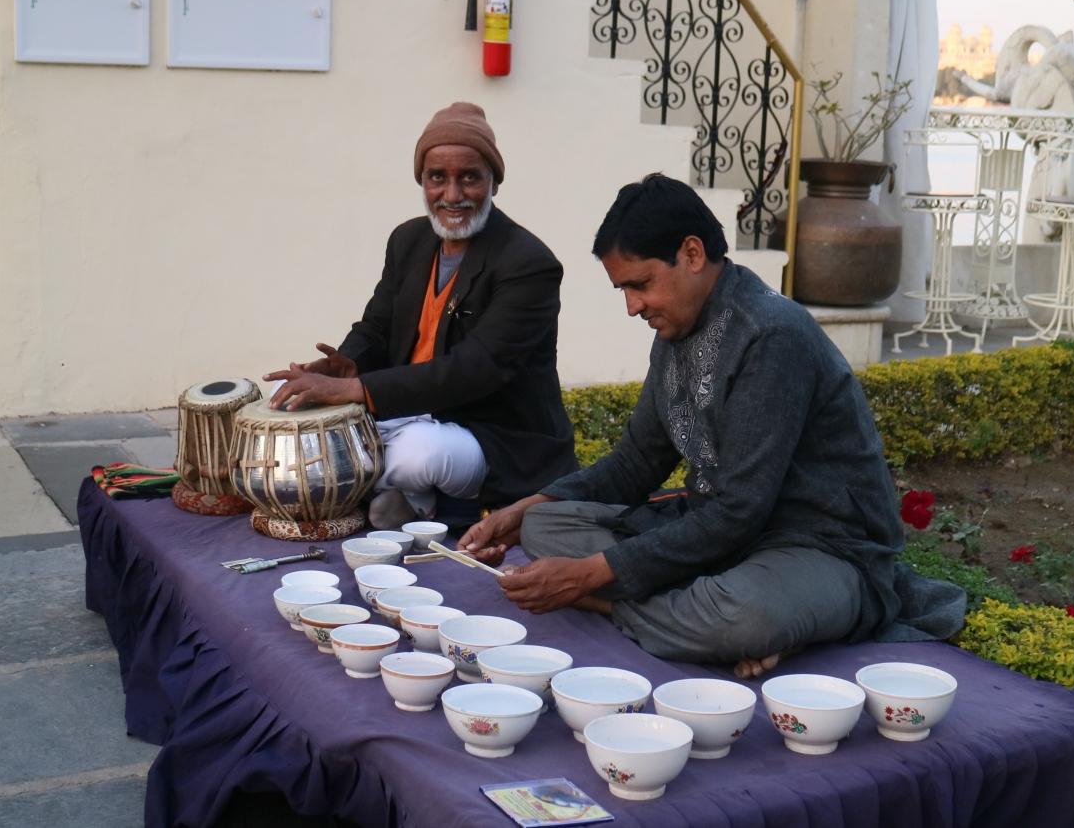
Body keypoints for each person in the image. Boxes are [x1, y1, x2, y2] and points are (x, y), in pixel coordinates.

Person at [459, 173, 965, 678]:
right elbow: (637, 462)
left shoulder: (771, 336)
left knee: (743, 617)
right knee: (547, 525)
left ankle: (616, 606)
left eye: (640, 284)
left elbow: (740, 510)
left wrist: (587, 580)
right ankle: (693, 614)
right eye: (624, 290)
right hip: (721, 540)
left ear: (693, 254)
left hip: (817, 546)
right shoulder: (675, 330)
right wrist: (524, 509)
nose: (632, 307)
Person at [265, 103, 577, 528]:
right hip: (404, 412)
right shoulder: (408, 240)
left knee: (418, 453)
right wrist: (346, 365)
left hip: (488, 435)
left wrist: (356, 390)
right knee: (288, 408)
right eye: (437, 178)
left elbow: (475, 369)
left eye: (469, 177)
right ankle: (411, 501)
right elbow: (376, 326)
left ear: (493, 182)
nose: (452, 194)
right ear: (423, 181)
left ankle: (421, 501)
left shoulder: (528, 263)